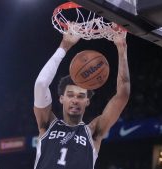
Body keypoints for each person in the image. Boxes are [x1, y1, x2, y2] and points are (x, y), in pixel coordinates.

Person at [33, 31, 130, 169]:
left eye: (80, 96)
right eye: (70, 95)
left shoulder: (93, 132)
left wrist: (122, 49)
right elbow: (41, 84)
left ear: (87, 101)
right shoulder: (47, 124)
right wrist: (64, 46)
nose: (75, 100)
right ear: (61, 98)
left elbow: (122, 95)